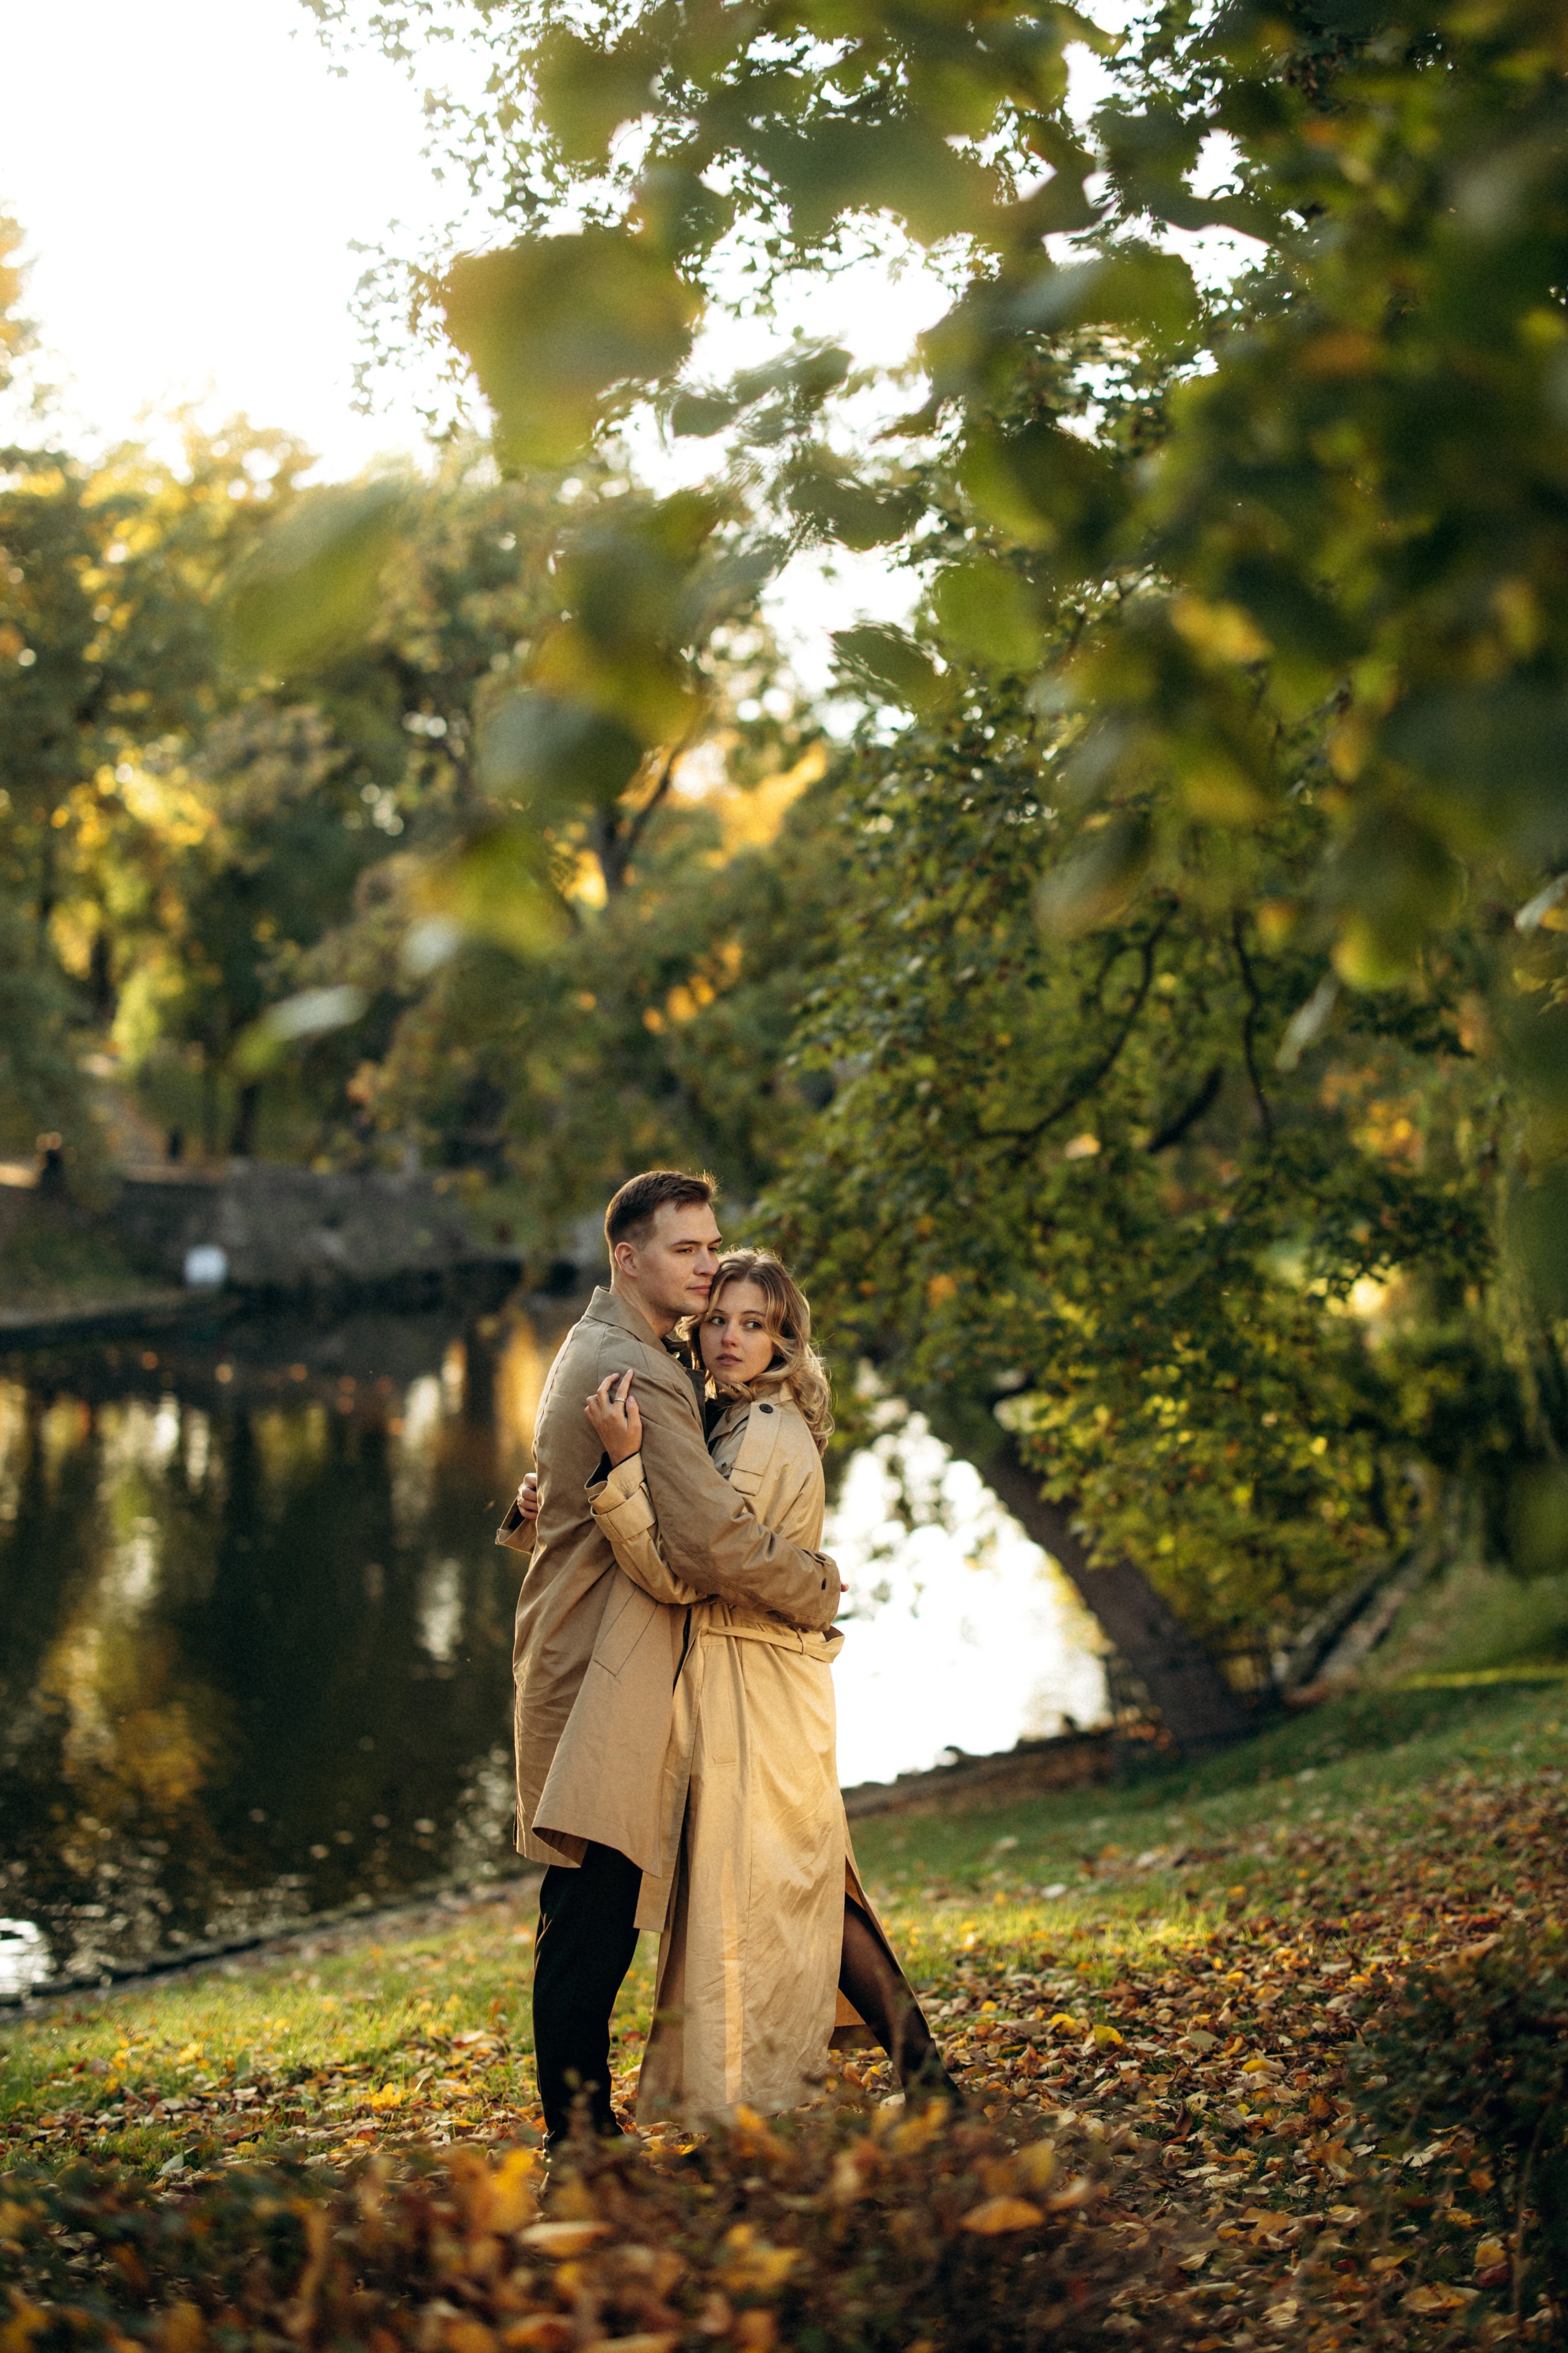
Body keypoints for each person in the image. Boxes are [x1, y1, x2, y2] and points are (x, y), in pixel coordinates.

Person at [517, 1248, 960, 2125]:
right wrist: (559, 1504)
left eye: (753, 1324)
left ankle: (910, 2080)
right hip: (749, 1672)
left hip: (756, 1681)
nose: (728, 1336)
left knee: (811, 1886)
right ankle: (930, 2081)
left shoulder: (757, 1434)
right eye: (718, 1318)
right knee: (815, 1881)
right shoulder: (734, 1413)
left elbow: (691, 1574)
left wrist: (620, 1476)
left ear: (784, 1337)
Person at [497, 1171, 842, 2151]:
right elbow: (709, 1543)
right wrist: (817, 1585)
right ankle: (579, 2139)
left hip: (603, 1663)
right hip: (609, 1673)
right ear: (629, 1257)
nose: (705, 1264)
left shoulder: (610, 1343)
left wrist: (536, 1508)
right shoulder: (642, 1367)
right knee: (589, 1921)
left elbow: (562, 1495)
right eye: (688, 1250)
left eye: (711, 1245)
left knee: (590, 1913)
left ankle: (587, 2130)